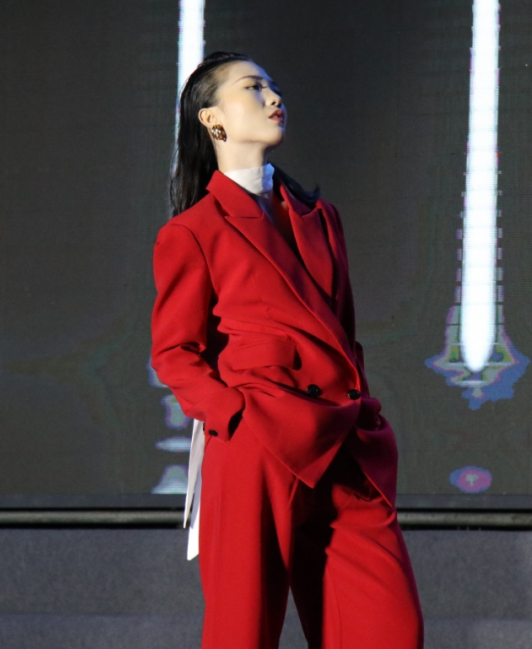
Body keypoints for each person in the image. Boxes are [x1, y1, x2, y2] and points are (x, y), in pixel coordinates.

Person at [150, 51, 424, 649]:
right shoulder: (193, 231)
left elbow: (343, 334)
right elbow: (174, 353)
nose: (274, 97)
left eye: (273, 87)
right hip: (258, 442)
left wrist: (361, 409)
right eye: (253, 87)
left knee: (389, 631)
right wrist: (237, 417)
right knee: (243, 630)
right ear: (211, 119)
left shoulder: (319, 217)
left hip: (342, 439)